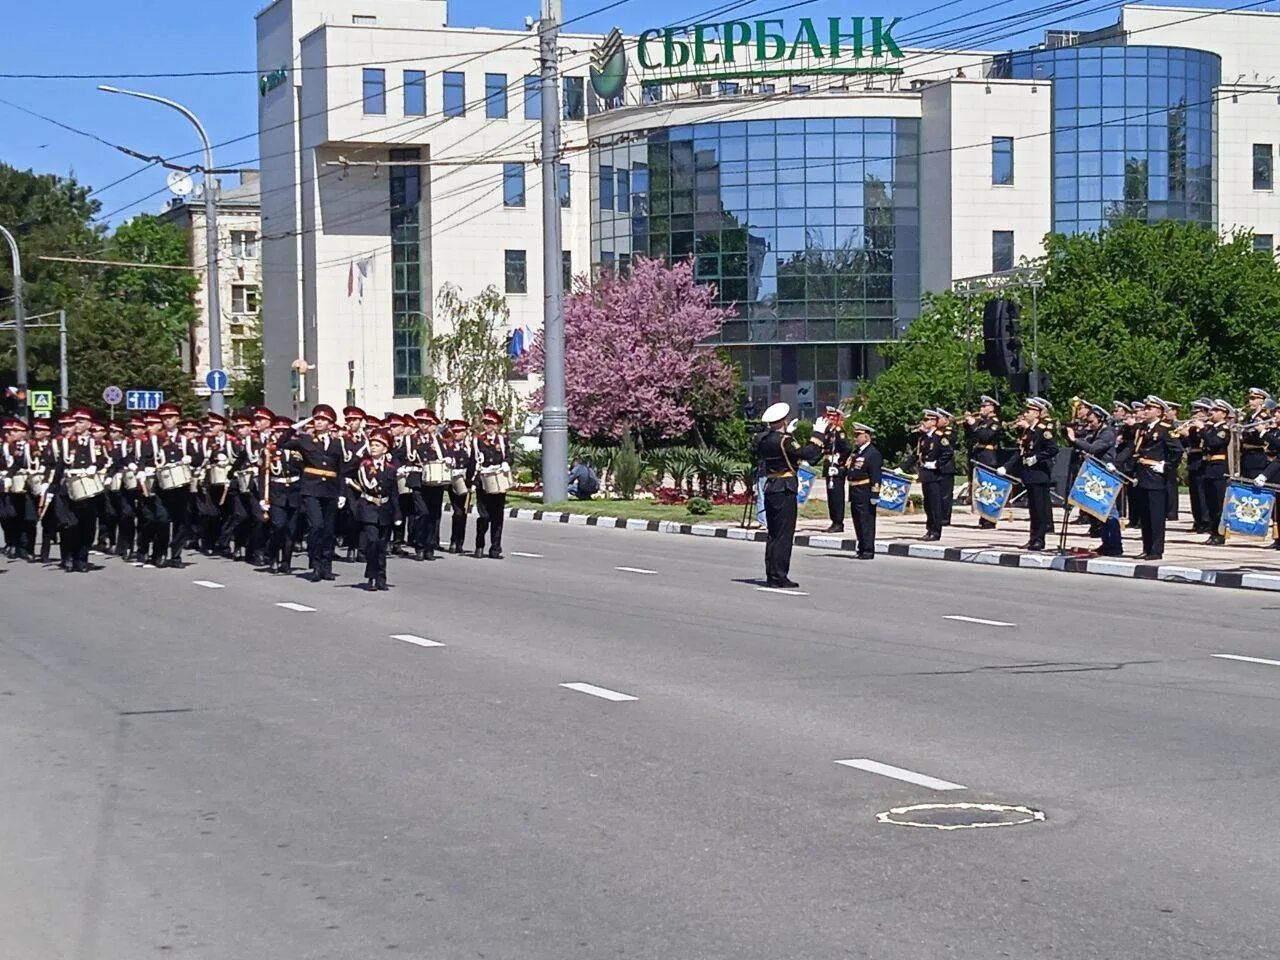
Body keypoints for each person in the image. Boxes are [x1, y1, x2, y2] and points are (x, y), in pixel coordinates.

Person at [751, 401, 823, 588]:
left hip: (771, 487)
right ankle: (779, 576)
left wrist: (787, 433)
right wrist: (817, 434)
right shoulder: (785, 440)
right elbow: (806, 453)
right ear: (783, 421)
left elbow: (785, 453)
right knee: (784, 534)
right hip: (784, 488)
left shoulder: (763, 439)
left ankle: (771, 573)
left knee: (773, 534)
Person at [280, 404, 344, 582]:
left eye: (323, 419)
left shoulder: (337, 443)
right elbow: (282, 443)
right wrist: (298, 425)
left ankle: (326, 566)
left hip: (330, 490)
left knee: (329, 530)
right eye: (316, 419)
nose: (319, 422)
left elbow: (340, 470)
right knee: (316, 526)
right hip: (311, 489)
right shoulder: (305, 440)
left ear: (331, 424)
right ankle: (315, 565)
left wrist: (342, 493)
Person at [999, 397, 1057, 551]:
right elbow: (1020, 452)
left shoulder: (1044, 429)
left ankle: (1039, 539)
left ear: (1037, 413)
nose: (1025, 414)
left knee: (1039, 509)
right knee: (1033, 509)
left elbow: (1053, 449)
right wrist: (1006, 467)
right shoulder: (1028, 431)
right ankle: (1033, 538)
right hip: (1029, 474)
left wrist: (1037, 458)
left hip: (1039, 474)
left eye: (1029, 411)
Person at [1066, 403, 1122, 556]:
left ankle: (1115, 545)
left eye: (1092, 421)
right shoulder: (1096, 432)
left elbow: (1093, 449)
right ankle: (1106, 543)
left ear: (1101, 419)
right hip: (1097, 474)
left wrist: (1074, 438)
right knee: (1100, 512)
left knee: (1110, 511)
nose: (1090, 424)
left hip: (1106, 475)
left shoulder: (1108, 432)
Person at [349, 431, 401, 591]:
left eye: (377, 445)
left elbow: (393, 493)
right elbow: (349, 467)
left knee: (381, 545)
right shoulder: (364, 465)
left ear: (385, 449)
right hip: (368, 508)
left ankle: (381, 577)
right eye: (372, 445)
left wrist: (397, 512)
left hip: (385, 510)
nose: (373, 448)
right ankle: (371, 576)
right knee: (372, 542)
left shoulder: (391, 469)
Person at [1132, 395, 1172, 560]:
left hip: (1155, 476)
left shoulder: (1165, 429)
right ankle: (1147, 548)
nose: (1146, 411)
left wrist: (1165, 466)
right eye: (1145, 408)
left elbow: (1176, 451)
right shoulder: (1143, 428)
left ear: (1159, 411)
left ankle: (1156, 550)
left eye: (1149, 408)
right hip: (1142, 475)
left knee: (1155, 516)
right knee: (1145, 515)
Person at [903, 409, 951, 541]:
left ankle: (936, 531)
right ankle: (929, 529)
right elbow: (916, 455)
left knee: (935, 504)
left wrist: (936, 464)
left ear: (933, 422)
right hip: (926, 474)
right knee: (928, 504)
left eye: (926, 420)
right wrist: (902, 468)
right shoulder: (924, 438)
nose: (923, 422)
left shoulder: (939, 436)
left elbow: (948, 453)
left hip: (935, 475)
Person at [471, 409, 510, 559]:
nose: (487, 426)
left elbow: (509, 456)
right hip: (483, 481)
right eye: (486, 423)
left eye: (491, 423)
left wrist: (506, 463)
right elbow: (473, 461)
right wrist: (472, 481)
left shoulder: (502, 440)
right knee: (484, 516)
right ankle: (479, 545)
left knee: (497, 517)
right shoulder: (478, 440)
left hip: (499, 481)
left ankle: (495, 547)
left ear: (496, 425)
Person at [964, 396, 1002, 529]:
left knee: (988, 489)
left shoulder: (995, 423)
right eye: (981, 406)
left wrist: (974, 424)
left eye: (984, 406)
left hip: (989, 457)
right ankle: (983, 516)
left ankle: (990, 519)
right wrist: (968, 425)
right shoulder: (982, 422)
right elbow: (970, 437)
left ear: (991, 408)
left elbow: (985, 437)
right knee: (980, 489)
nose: (981, 409)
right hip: (979, 456)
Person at [845, 422, 882, 559]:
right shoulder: (857, 453)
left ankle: (868, 550)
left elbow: (876, 476)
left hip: (865, 491)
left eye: (857, 435)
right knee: (858, 521)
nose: (855, 438)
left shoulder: (872, 453)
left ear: (866, 436)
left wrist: (875, 493)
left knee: (866, 521)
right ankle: (861, 548)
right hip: (855, 491)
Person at [1201, 400, 1233, 545]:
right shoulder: (1211, 428)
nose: (1211, 413)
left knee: (1219, 503)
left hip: (1219, 468)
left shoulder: (1224, 430)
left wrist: (1202, 430)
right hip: (1208, 467)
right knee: (1210, 503)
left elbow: (1215, 443)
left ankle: (1220, 534)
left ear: (1223, 413)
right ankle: (1213, 532)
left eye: (1215, 411)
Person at [818, 407, 851, 533]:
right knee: (831, 496)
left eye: (833, 417)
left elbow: (847, 448)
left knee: (837, 495)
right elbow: (823, 449)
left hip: (836, 467)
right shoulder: (828, 431)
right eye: (828, 416)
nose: (830, 418)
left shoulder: (838, 431)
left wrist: (840, 460)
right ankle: (834, 521)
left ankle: (838, 522)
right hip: (829, 466)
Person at [443, 418, 472, 553]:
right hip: (453, 480)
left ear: (465, 432)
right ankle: (454, 541)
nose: (456, 434)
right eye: (454, 431)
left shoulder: (471, 446)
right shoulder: (448, 446)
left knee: (463, 512)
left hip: (467, 481)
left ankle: (460, 541)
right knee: (457, 512)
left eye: (459, 431)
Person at [934, 408, 959, 526]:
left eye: (940, 419)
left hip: (946, 467)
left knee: (945, 495)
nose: (937, 421)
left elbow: (948, 447)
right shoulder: (937, 432)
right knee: (936, 494)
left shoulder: (950, 433)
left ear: (947, 420)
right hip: (936, 467)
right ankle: (937, 516)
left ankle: (945, 518)